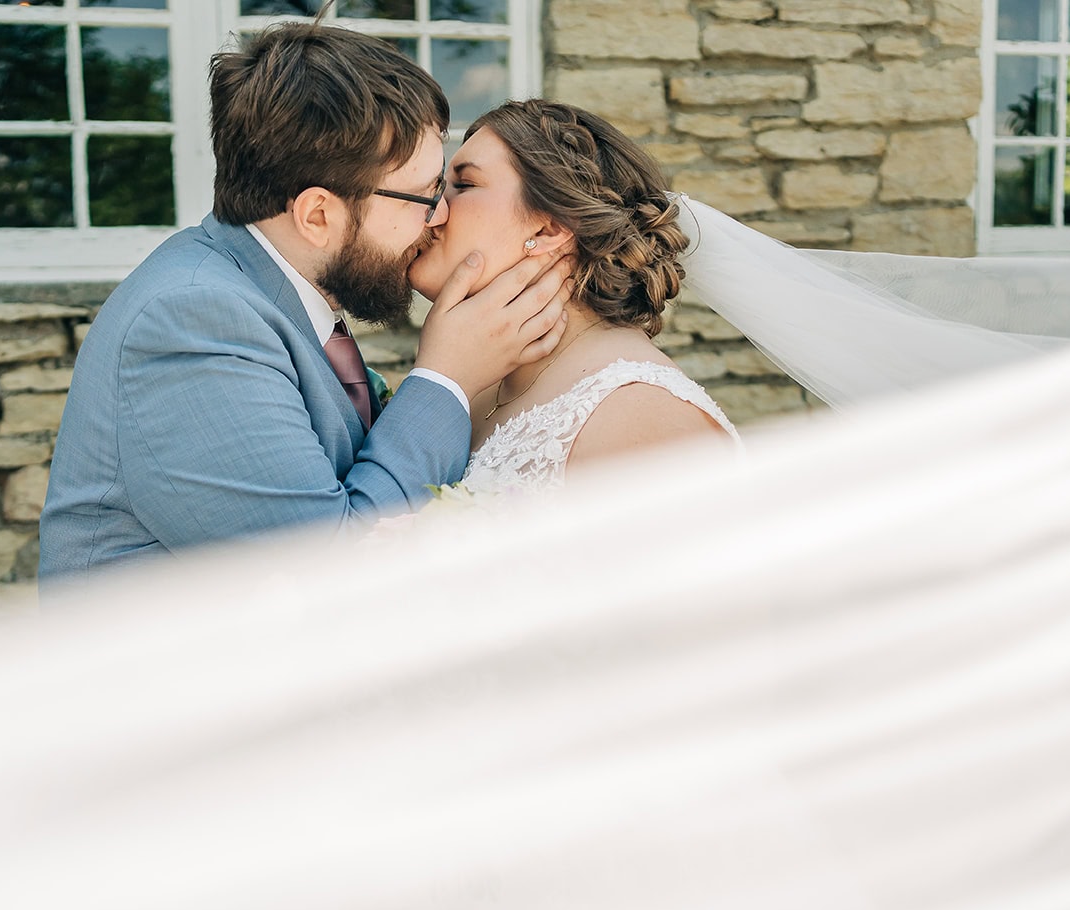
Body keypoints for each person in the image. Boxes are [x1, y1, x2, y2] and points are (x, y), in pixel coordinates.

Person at [38, 22, 571, 583]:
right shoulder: (191, 321)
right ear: (317, 215)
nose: (439, 216)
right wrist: (446, 379)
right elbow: (331, 571)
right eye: (424, 194)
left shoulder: (270, 294)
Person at [406, 100, 739, 495]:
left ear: (549, 229)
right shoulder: (473, 379)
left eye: (464, 185)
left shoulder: (647, 417)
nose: (432, 210)